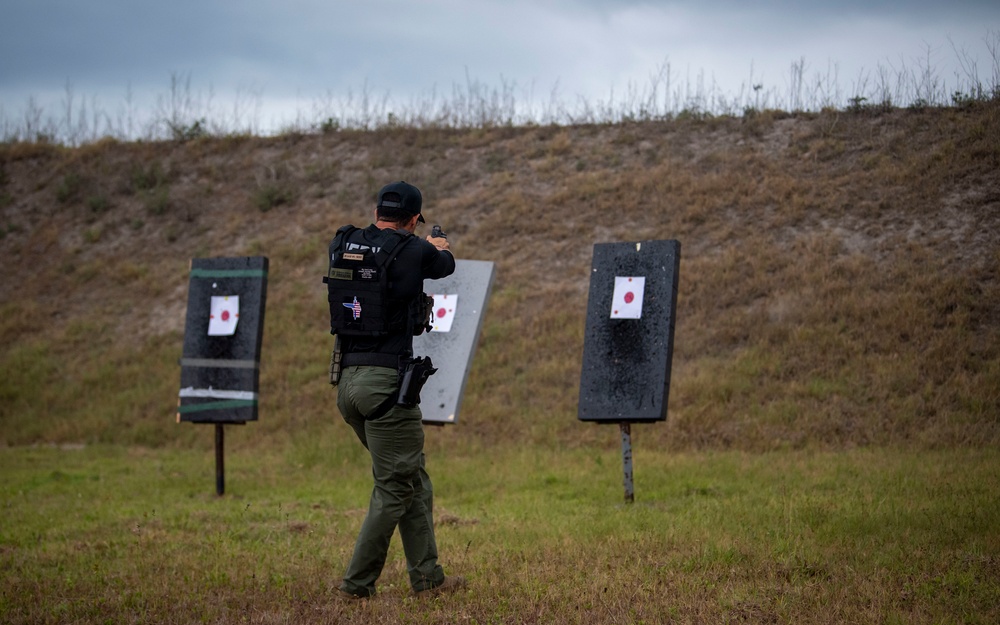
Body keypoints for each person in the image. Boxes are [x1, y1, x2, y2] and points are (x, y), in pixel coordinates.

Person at [329, 181, 464, 600]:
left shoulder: (344, 241)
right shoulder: (412, 249)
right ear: (412, 219)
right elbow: (445, 264)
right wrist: (436, 243)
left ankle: (428, 577)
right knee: (393, 487)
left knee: (411, 478)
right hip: (387, 386)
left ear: (377, 212)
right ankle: (356, 585)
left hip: (348, 383)